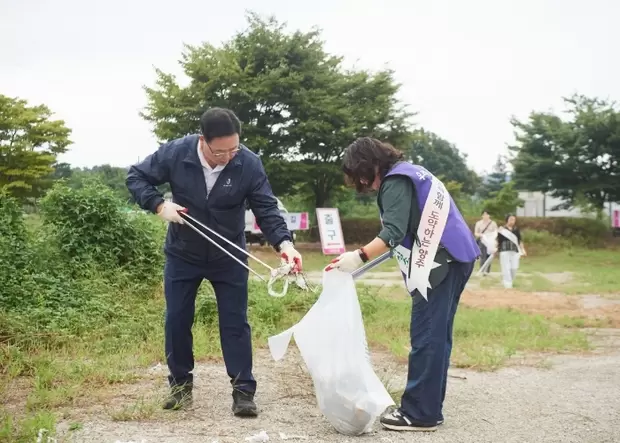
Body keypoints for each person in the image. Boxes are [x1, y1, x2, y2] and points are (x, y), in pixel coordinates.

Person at [126, 107, 302, 416]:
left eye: (234, 148)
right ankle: (180, 387)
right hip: (183, 253)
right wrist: (158, 205)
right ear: (203, 141)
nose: (229, 156)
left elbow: (266, 208)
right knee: (177, 319)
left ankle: (243, 391)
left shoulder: (247, 163)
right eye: (221, 151)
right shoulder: (177, 153)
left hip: (229, 255)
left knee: (235, 323)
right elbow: (136, 176)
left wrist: (284, 244)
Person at [326, 137, 480, 432]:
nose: (363, 183)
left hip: (440, 263)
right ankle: (429, 407)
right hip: (458, 256)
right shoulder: (413, 172)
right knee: (438, 335)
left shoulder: (395, 180)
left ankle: (420, 414)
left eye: (361, 175)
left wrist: (357, 257)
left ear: (370, 165)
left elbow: (393, 231)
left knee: (427, 335)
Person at [496, 213, 526, 289]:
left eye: (514, 220)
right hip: (504, 250)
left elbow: (519, 241)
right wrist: (495, 248)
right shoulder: (502, 229)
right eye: (511, 219)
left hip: (514, 251)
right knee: (505, 267)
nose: (512, 221)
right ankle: (507, 285)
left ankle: (510, 281)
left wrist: (523, 249)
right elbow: (498, 240)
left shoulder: (516, 229)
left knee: (514, 268)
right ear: (507, 220)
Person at [474, 210, 498, 275]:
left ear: (489, 215)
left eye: (487, 214)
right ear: (482, 215)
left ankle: (487, 271)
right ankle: (482, 270)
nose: (485, 216)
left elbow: (496, 233)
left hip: (491, 242)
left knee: (489, 256)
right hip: (482, 241)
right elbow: (476, 233)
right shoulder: (478, 223)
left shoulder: (493, 223)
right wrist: (481, 235)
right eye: (484, 214)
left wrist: (495, 242)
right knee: (482, 256)